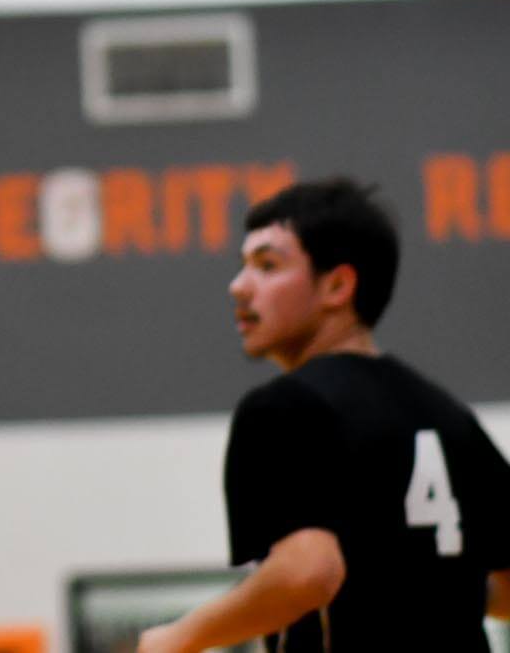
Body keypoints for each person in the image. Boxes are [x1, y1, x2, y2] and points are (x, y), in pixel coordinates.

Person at [139, 178, 510, 653]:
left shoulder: (284, 407)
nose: (239, 287)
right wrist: (431, 588)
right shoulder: (450, 416)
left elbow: (308, 572)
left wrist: (180, 636)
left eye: (267, 266)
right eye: (242, 267)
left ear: (337, 284)